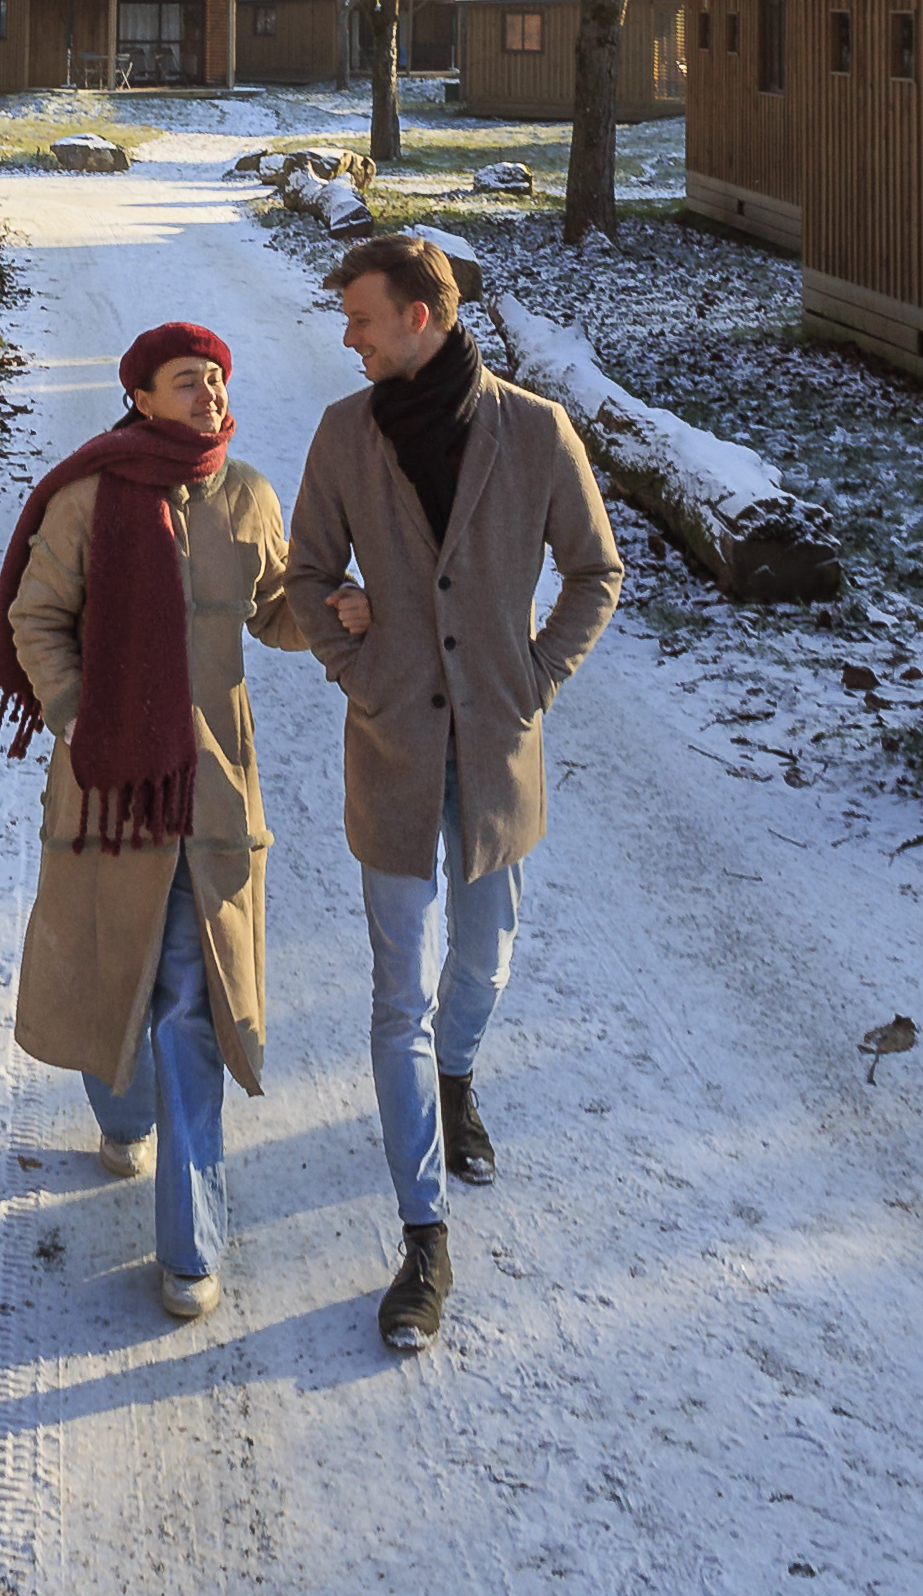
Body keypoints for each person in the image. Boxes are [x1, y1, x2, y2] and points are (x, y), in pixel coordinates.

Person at [284, 227, 622, 1353]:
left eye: (362, 318)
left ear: (421, 316)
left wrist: (535, 674)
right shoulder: (344, 436)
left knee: (486, 951)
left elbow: (596, 567)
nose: (349, 336)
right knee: (399, 995)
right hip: (391, 748)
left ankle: (461, 1075)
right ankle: (423, 1237)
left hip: (496, 744)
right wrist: (364, 662)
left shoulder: (535, 431)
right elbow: (306, 578)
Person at [0, 318, 307, 1323]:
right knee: (108, 964)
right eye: (186, 379)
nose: (208, 392)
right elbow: (37, 619)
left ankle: (190, 1244)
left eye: (216, 376)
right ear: (141, 396)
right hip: (108, 786)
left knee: (187, 1001)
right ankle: (119, 1110)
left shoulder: (247, 494)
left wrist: (340, 615)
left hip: (211, 785)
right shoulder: (86, 498)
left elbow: (279, 606)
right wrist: (81, 718)